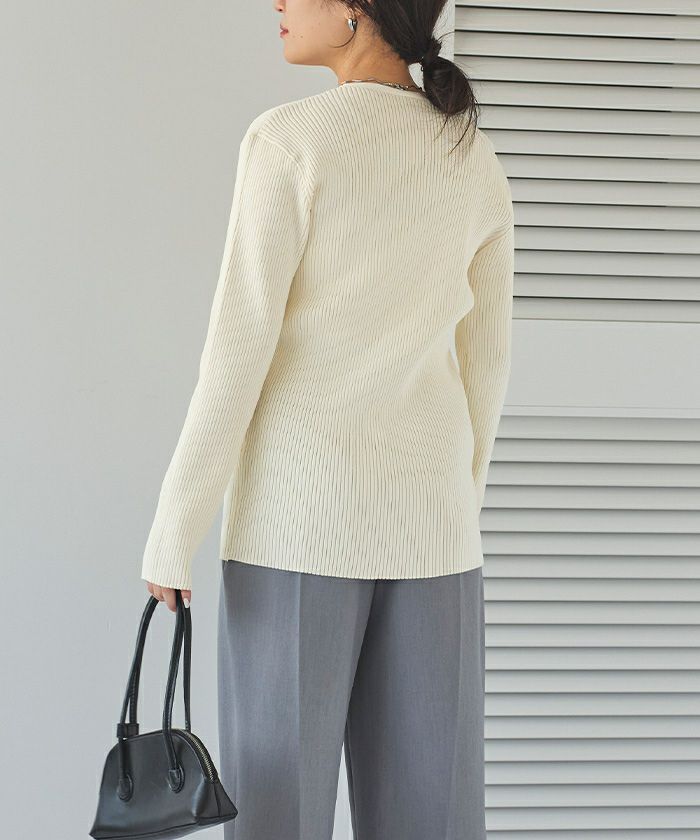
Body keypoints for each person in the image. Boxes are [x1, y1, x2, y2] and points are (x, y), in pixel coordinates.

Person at [141, 1, 514, 837]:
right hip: (437, 537)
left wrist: (176, 525)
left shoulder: (291, 141)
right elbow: (486, 363)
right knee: (434, 819)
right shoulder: (471, 156)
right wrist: (456, 505)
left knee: (277, 815)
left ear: (356, 9)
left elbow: (237, 350)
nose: (277, 2)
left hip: (297, 531)